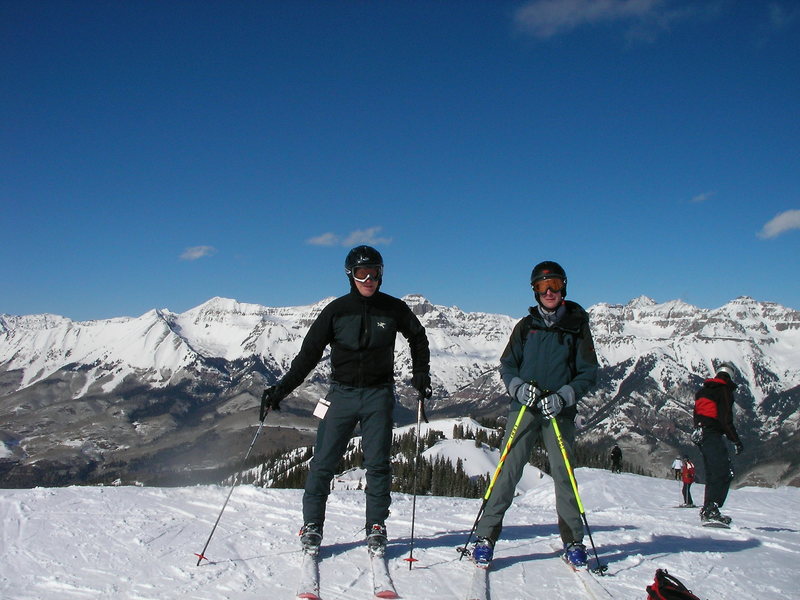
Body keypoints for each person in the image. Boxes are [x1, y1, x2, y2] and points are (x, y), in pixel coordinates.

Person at [259, 245, 432, 556]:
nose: (368, 279)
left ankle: (376, 526)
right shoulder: (336, 311)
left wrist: (421, 373)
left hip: (379, 395)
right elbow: (307, 356)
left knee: (377, 464)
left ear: (382, 274)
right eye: (361, 273)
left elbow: (418, 337)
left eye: (374, 272)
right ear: (349, 275)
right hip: (341, 395)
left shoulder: (393, 309)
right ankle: (312, 524)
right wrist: (280, 390)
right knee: (323, 461)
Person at [470, 261, 599, 568]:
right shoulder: (526, 327)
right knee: (506, 472)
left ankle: (574, 542)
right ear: (535, 291)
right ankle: (485, 537)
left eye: (553, 284)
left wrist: (564, 396)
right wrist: (516, 388)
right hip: (524, 409)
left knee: (564, 475)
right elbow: (508, 365)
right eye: (542, 286)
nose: (549, 292)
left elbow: (588, 372)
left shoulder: (577, 326)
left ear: (563, 287)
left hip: (558, 412)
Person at [692, 362, 743, 525]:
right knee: (724, 471)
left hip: (701, 434)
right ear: (730, 375)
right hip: (713, 433)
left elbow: (698, 413)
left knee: (712, 472)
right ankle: (711, 509)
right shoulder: (724, 390)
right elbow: (725, 418)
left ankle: (709, 508)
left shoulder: (703, 390)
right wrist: (735, 440)